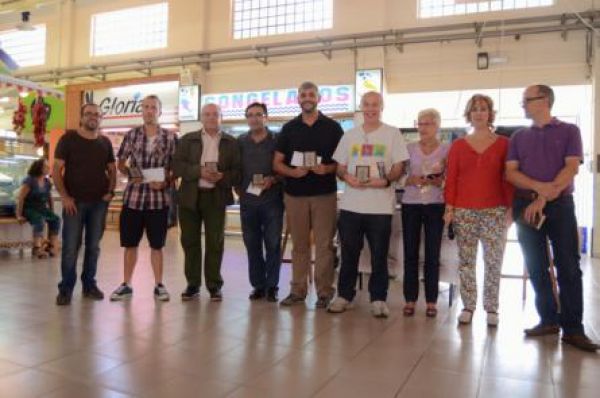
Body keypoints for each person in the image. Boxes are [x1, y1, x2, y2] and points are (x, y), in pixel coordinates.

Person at [506, 84, 599, 352]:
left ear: (544, 100)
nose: (523, 105)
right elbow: (511, 173)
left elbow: (571, 168)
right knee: (535, 266)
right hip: (525, 204)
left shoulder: (570, 131)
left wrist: (544, 197)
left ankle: (573, 329)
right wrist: (538, 189)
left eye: (527, 100)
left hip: (559, 206)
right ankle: (548, 319)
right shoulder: (519, 136)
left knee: (568, 266)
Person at [327, 92, 408, 318]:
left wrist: (384, 180)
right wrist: (347, 177)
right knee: (349, 253)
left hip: (380, 207)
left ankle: (378, 298)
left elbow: (399, 166)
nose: (371, 109)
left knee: (379, 255)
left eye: (375, 105)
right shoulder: (350, 135)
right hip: (352, 205)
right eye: (366, 105)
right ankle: (344, 295)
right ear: (361, 108)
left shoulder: (392, 134)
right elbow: (340, 166)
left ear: (382, 106)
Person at [273, 81, 344, 308]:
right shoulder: (289, 128)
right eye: (303, 94)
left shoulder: (333, 128)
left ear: (318, 98)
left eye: (311, 94)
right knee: (300, 246)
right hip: (295, 196)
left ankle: (324, 292)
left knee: (324, 246)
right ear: (298, 99)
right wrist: (292, 173)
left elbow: (342, 164)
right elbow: (277, 163)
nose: (307, 98)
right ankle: (297, 291)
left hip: (324, 195)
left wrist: (328, 168)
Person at [444, 94, 513, 326]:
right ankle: (468, 305)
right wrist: (450, 207)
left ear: (490, 113)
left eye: (483, 108)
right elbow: (451, 178)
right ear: (469, 114)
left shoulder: (504, 143)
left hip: (495, 210)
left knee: (494, 260)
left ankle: (492, 307)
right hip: (464, 211)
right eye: (475, 109)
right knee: (466, 260)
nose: (479, 113)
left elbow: (508, 179)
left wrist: (510, 209)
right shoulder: (458, 145)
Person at [109, 95, 177, 302]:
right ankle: (126, 284)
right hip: (133, 200)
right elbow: (120, 163)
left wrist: (166, 181)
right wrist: (132, 173)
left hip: (158, 201)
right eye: (146, 107)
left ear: (159, 111)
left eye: (153, 107)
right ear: (142, 110)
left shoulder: (171, 137)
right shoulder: (131, 135)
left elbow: (176, 168)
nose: (149, 111)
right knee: (130, 244)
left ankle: (159, 285)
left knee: (157, 245)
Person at [173, 103, 240, 302]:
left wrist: (222, 176)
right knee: (190, 242)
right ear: (201, 118)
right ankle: (193, 284)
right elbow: (177, 166)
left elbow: (237, 172)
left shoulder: (231, 142)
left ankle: (214, 285)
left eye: (215, 114)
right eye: (207, 114)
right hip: (189, 196)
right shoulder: (187, 139)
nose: (211, 118)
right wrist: (199, 171)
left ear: (221, 117)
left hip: (216, 197)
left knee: (215, 242)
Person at [53, 103, 117, 306]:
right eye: (89, 114)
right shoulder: (68, 139)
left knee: (93, 247)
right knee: (71, 247)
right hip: (74, 203)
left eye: (97, 114)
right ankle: (66, 289)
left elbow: (112, 169)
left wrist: (110, 192)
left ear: (101, 118)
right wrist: (64, 196)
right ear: (81, 117)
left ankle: (89, 285)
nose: (93, 117)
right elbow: (56, 170)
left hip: (99, 203)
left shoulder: (105, 142)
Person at [401, 109, 449, 317]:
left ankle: (431, 301)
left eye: (428, 124)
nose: (423, 128)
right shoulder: (408, 148)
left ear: (437, 126)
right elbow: (399, 174)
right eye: (420, 124)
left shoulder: (448, 149)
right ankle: (410, 299)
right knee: (410, 253)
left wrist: (440, 181)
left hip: (435, 204)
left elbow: (453, 177)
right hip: (411, 203)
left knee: (432, 254)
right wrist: (409, 180)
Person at [237, 102, 284, 302]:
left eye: (259, 114)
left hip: (272, 200)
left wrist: (273, 179)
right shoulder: (240, 141)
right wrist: (237, 188)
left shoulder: (277, 140)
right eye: (250, 115)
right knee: (252, 244)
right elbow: (235, 168)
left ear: (266, 117)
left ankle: (272, 286)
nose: (254, 118)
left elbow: (285, 167)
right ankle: (258, 285)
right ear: (246, 118)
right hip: (247, 201)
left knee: (273, 243)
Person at [16, 158, 60, 258]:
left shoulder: (47, 181)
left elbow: (50, 198)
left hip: (42, 208)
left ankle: (51, 246)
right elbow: (21, 198)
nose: (49, 168)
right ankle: (37, 248)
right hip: (29, 209)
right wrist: (19, 215)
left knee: (56, 219)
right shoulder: (30, 180)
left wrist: (51, 212)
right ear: (39, 168)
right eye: (46, 166)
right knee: (39, 220)